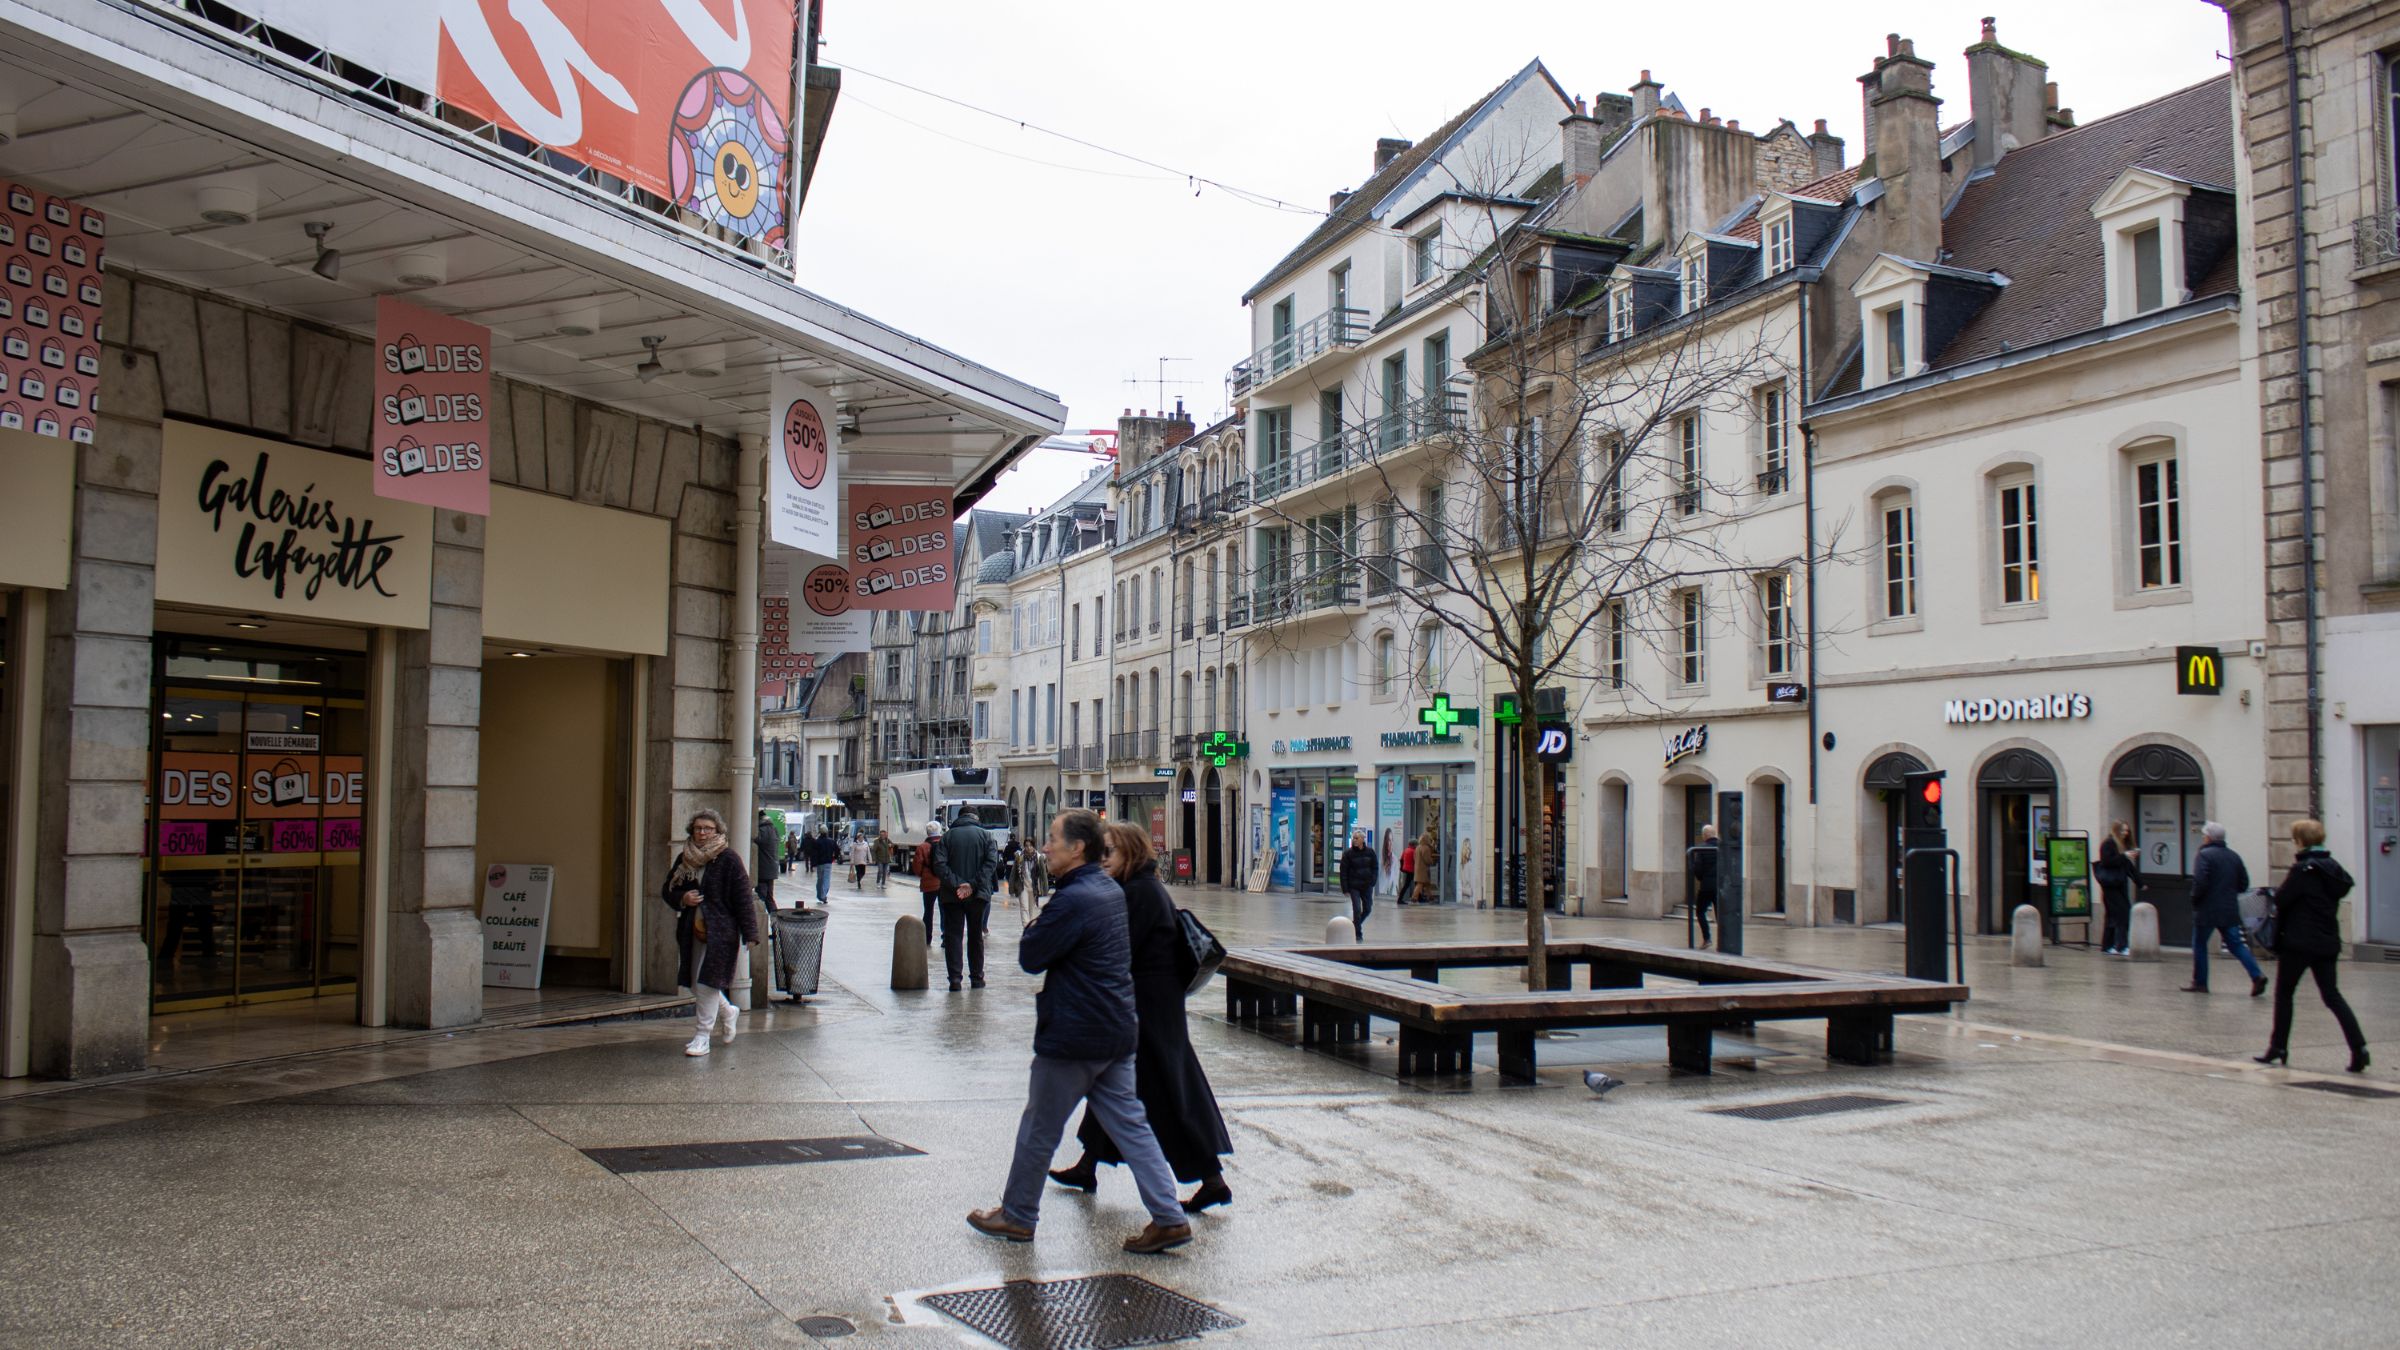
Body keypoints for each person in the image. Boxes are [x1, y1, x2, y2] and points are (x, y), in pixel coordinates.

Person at [967, 810, 1193, 1254]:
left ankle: (1017, 1214)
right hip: (1116, 1028)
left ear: (1077, 848)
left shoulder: (1074, 899)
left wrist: (1036, 926)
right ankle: (1169, 1216)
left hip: (1076, 1032)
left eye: (1053, 839)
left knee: (1040, 1127)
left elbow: (1031, 955)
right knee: (1132, 1125)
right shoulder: (1108, 889)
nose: (1045, 846)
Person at [1048, 823, 1233, 1212]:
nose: (1103, 859)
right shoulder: (1137, 888)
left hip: (1149, 1009)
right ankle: (1087, 1164)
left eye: (1110, 852)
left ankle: (1211, 1178)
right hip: (1147, 1004)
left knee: (1163, 1095)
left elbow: (1117, 948)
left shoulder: (1139, 893)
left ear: (1129, 852)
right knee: (1117, 1086)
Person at [2255, 819, 2370, 1073]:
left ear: (2301, 840)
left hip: (2299, 942)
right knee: (2332, 996)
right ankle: (2359, 1048)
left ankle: (2278, 1047)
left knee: (2284, 994)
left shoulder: (2303, 869)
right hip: (2327, 941)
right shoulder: (2333, 868)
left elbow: (2283, 900)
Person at [662, 809, 760, 1057]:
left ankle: (702, 1036)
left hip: (721, 933)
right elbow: (667, 890)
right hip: (691, 930)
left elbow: (743, 898)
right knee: (697, 984)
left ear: (718, 831)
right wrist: (682, 898)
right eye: (697, 828)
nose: (702, 833)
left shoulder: (728, 859)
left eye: (707, 828)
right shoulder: (685, 859)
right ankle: (728, 1011)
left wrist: (750, 932)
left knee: (707, 984)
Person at [2184, 822, 2267, 996]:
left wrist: (2195, 899)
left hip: (2207, 908)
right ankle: (2256, 975)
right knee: (2236, 944)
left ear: (2208, 837)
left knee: (2199, 944)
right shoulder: (2233, 856)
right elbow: (2244, 883)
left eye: (2204, 835)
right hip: (2229, 908)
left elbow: (2200, 882)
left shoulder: (2204, 855)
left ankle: (2200, 983)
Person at [932, 809, 1001, 991]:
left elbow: (939, 864)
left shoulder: (947, 837)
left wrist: (957, 884)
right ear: (975, 818)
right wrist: (972, 885)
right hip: (978, 895)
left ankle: (955, 979)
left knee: (953, 936)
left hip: (951, 895)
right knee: (975, 935)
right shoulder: (986, 836)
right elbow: (991, 864)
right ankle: (977, 978)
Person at [2093, 821, 2139, 956]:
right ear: (2116, 831)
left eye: (2127, 831)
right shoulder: (2108, 843)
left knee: (2113, 916)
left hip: (2119, 884)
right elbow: (2107, 861)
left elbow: (2129, 867)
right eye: (2123, 831)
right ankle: (2120, 945)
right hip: (2110, 885)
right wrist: (2124, 856)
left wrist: (2140, 882)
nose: (2125, 833)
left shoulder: (2122, 846)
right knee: (2121, 914)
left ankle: (2108, 945)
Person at [1339, 828, 1379, 940]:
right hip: (1354, 885)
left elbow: (1375, 867)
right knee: (1356, 909)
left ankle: (1354, 925)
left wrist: (1373, 880)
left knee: (1368, 909)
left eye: (1357, 838)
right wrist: (1345, 888)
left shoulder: (1370, 852)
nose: (1354, 840)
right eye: (1353, 838)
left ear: (1362, 839)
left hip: (1366, 885)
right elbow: (1343, 871)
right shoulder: (1348, 854)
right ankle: (1358, 933)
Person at [1688, 825, 1720, 948]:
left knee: (1700, 911)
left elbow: (1698, 868)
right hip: (1720, 886)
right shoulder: (1722, 847)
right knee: (1720, 914)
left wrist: (1702, 878)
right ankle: (1723, 940)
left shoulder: (1701, 849)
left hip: (1706, 886)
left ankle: (1707, 939)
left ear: (1705, 835)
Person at [916, 822, 945, 945]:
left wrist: (924, 874)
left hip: (928, 884)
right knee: (945, 911)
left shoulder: (923, 847)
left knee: (928, 911)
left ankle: (927, 937)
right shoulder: (946, 844)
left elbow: (917, 866)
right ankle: (946, 938)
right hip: (944, 883)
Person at [752, 811, 783, 911]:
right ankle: (776, 922)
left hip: (763, 869)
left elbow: (754, 839)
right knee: (769, 897)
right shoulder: (774, 829)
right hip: (772, 868)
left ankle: (761, 919)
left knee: (761, 897)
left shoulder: (762, 830)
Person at [807, 826, 839, 905]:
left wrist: (813, 864)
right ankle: (823, 895)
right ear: (827, 832)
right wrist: (834, 858)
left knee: (820, 880)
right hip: (828, 862)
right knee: (826, 880)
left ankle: (819, 895)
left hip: (820, 864)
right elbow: (837, 850)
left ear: (820, 832)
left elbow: (813, 854)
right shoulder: (831, 841)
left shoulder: (817, 842)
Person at [1397, 836, 1418, 905]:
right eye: (1416, 844)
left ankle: (1417, 897)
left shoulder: (1406, 850)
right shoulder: (1413, 851)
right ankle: (1400, 899)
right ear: (1414, 844)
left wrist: (1402, 867)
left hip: (1406, 869)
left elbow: (1401, 859)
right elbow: (1416, 860)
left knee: (1412, 884)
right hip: (1411, 870)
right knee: (1413, 884)